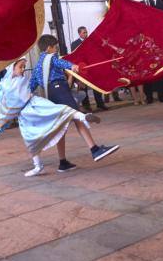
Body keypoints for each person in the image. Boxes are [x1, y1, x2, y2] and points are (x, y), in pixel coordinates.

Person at [1, 57, 118, 176]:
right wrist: (72, 66)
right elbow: (10, 101)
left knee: (60, 118)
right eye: (20, 67)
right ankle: (41, 165)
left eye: (23, 67)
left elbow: (30, 88)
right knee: (34, 135)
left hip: (34, 107)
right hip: (33, 108)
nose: (23, 70)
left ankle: (63, 160)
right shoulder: (48, 57)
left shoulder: (32, 72)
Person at [31, 34, 120, 169]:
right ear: (49, 48)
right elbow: (59, 62)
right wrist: (73, 66)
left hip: (51, 95)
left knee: (61, 127)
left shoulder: (37, 66)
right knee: (77, 117)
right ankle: (94, 150)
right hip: (60, 89)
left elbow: (31, 85)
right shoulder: (51, 57)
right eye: (55, 47)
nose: (56, 51)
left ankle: (63, 162)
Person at [70, 26, 107, 111]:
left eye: (86, 32)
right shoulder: (75, 44)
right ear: (79, 34)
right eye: (84, 32)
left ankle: (100, 104)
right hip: (82, 67)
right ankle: (86, 105)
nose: (86, 34)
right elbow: (75, 56)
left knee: (96, 85)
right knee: (84, 87)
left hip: (92, 66)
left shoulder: (92, 41)